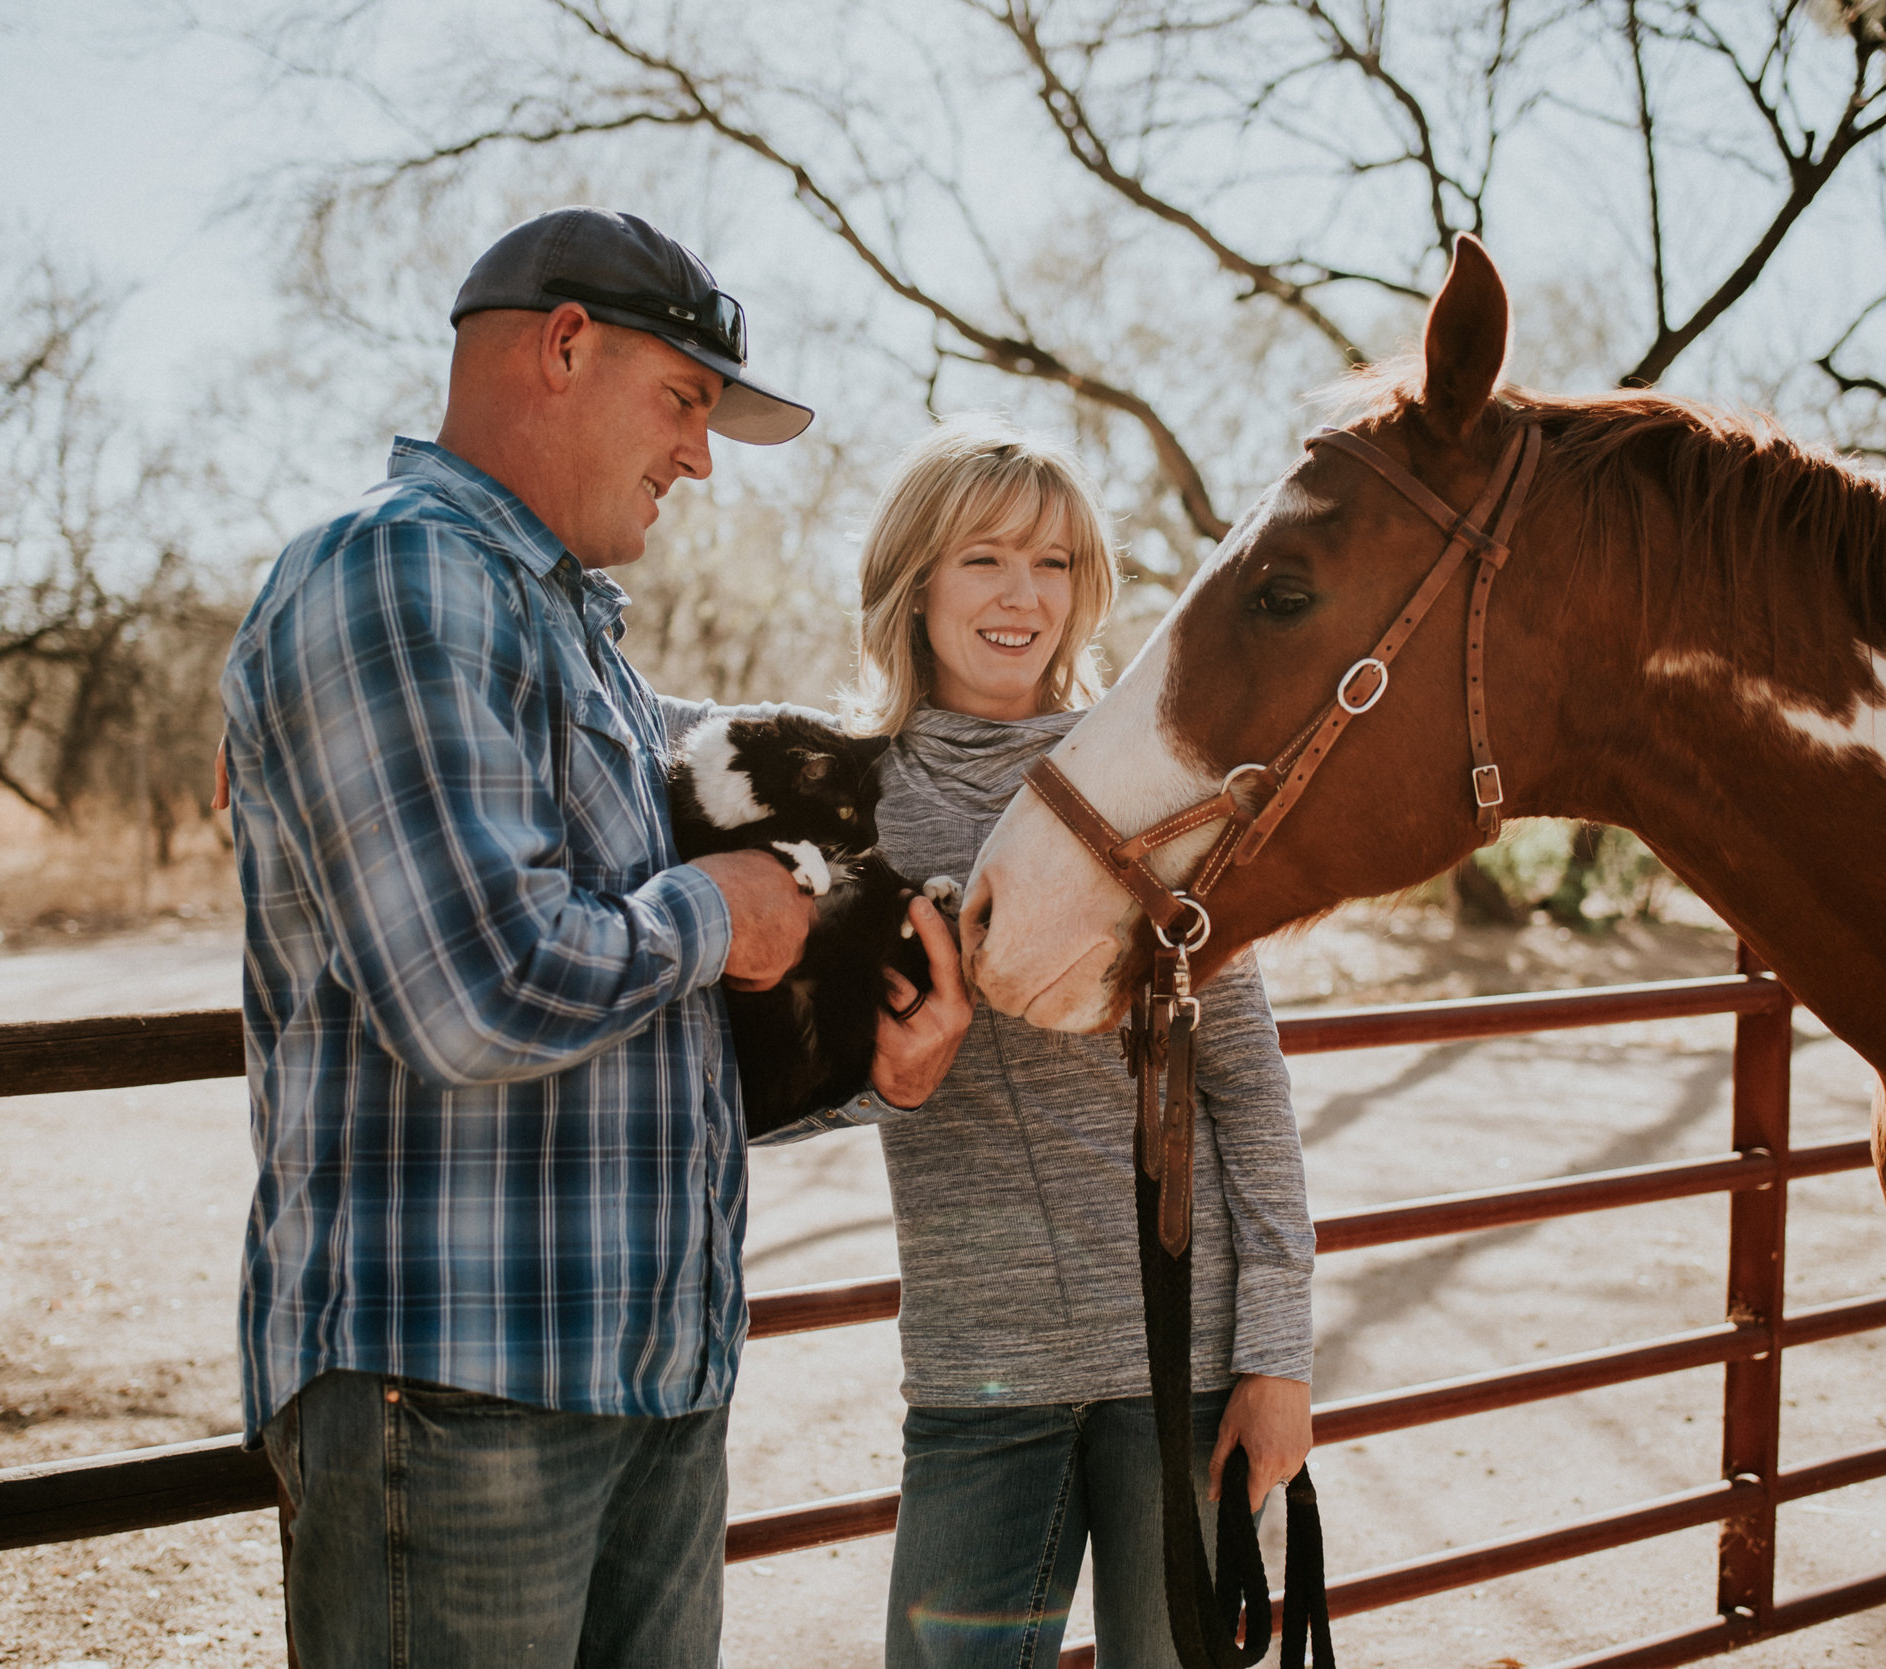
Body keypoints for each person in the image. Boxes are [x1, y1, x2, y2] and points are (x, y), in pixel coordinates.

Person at [218, 207, 971, 1669]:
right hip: (460, 1397)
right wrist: (722, 909)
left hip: (645, 1388)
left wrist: (876, 1068)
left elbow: (647, 1039)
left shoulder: (578, 643)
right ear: (565, 347)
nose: (700, 459)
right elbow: (474, 994)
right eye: (686, 402)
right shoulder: (395, 577)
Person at [766, 417, 1316, 1669]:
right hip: (978, 1375)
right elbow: (780, 1088)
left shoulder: (1145, 782)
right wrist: (887, 1085)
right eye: (986, 560)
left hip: (1185, 1365)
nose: (1024, 596)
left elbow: (1245, 1084)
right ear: (914, 585)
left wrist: (1275, 1354)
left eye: (1056, 563)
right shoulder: (844, 807)